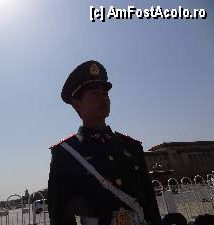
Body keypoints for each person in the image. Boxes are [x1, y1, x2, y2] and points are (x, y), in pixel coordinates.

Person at [47, 60, 162, 225]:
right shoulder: (65, 152)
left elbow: (151, 206)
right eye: (95, 93)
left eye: (105, 94)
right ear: (77, 104)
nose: (104, 98)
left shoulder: (131, 146)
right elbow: (60, 216)